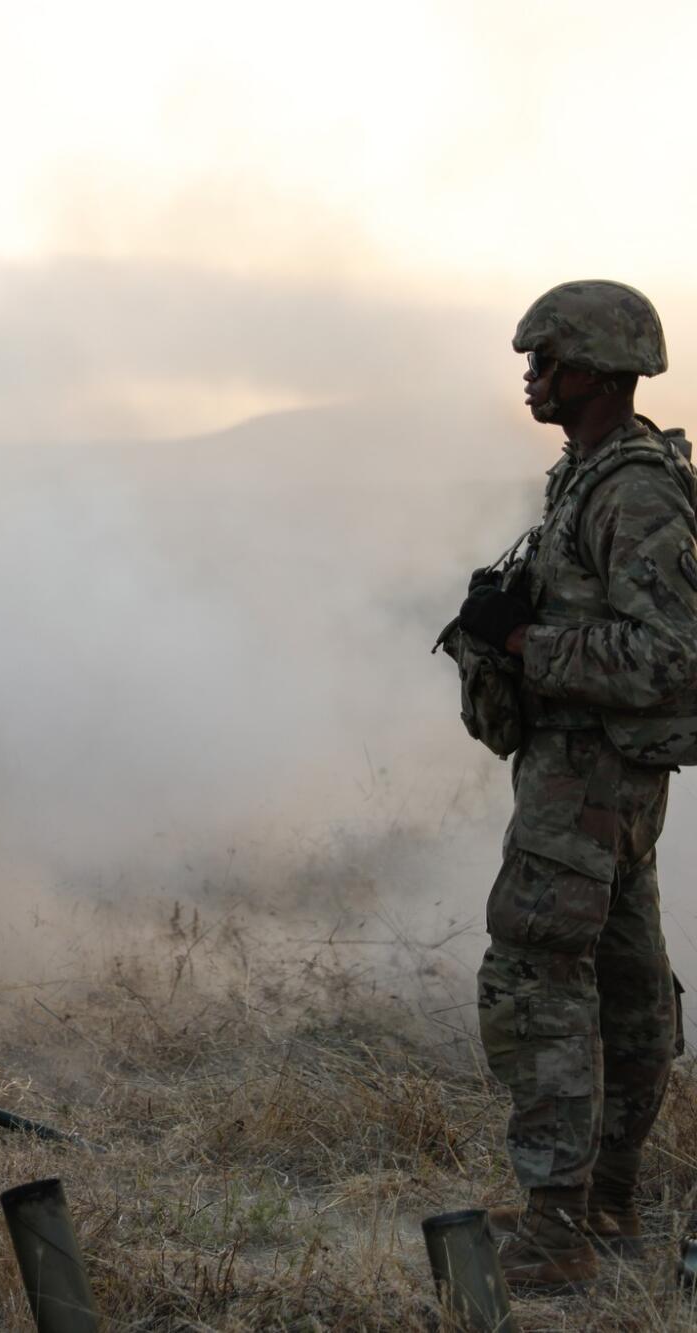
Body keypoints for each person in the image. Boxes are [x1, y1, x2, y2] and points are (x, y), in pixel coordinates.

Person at [454, 280, 696, 1287]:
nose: (529, 375)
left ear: (594, 368)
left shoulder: (630, 489)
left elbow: (672, 658)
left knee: (536, 983)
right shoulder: (586, 477)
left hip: (586, 781)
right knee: (625, 989)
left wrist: (523, 642)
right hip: (595, 779)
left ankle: (555, 1235)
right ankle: (602, 1216)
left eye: (544, 358)